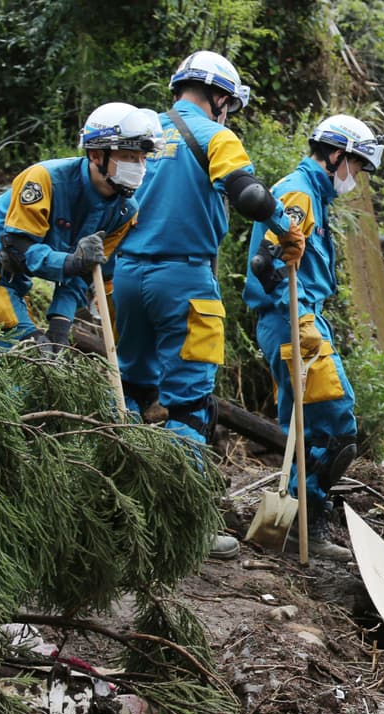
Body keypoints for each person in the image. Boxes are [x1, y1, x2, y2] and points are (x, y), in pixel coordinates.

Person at [111, 50, 305, 561]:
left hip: (125, 275)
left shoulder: (140, 129)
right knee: (189, 404)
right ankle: (182, 529)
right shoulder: (217, 137)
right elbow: (249, 196)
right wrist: (286, 227)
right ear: (220, 97)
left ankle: (116, 512)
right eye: (229, 104)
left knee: (131, 390)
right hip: (184, 279)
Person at [243, 114, 384, 561]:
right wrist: (298, 319)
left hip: (301, 317)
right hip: (292, 317)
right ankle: (308, 519)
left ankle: (295, 520)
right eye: (356, 165)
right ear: (337, 155)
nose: (356, 176)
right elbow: (266, 263)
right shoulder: (300, 192)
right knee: (336, 424)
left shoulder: (315, 195)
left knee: (306, 426)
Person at [0, 102, 161, 348]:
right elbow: (16, 252)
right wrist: (71, 262)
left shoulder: (125, 211)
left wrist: (61, 322)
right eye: (128, 156)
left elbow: (86, 272)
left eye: (142, 159)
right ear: (96, 155)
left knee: (44, 349)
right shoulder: (45, 179)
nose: (138, 167)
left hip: (13, 280)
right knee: (25, 348)